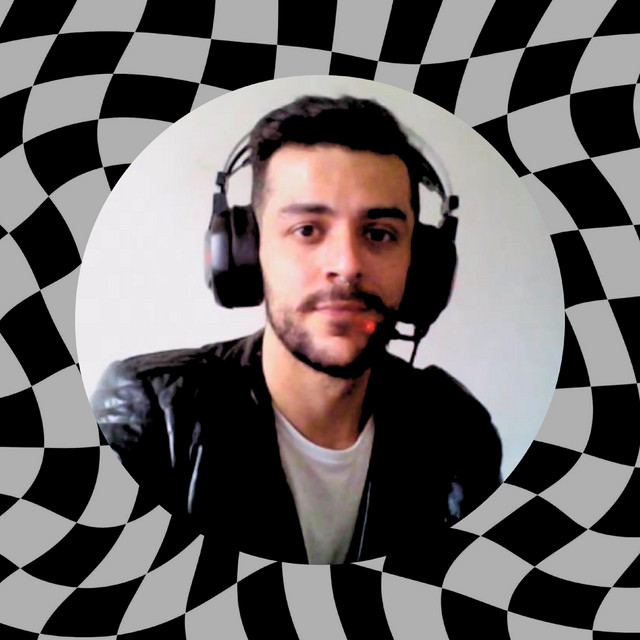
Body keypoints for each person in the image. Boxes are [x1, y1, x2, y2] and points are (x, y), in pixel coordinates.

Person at [91, 95, 502, 565]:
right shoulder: (152, 415)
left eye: (379, 234)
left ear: (421, 264)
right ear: (248, 253)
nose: (347, 265)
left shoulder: (459, 432)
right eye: (307, 229)